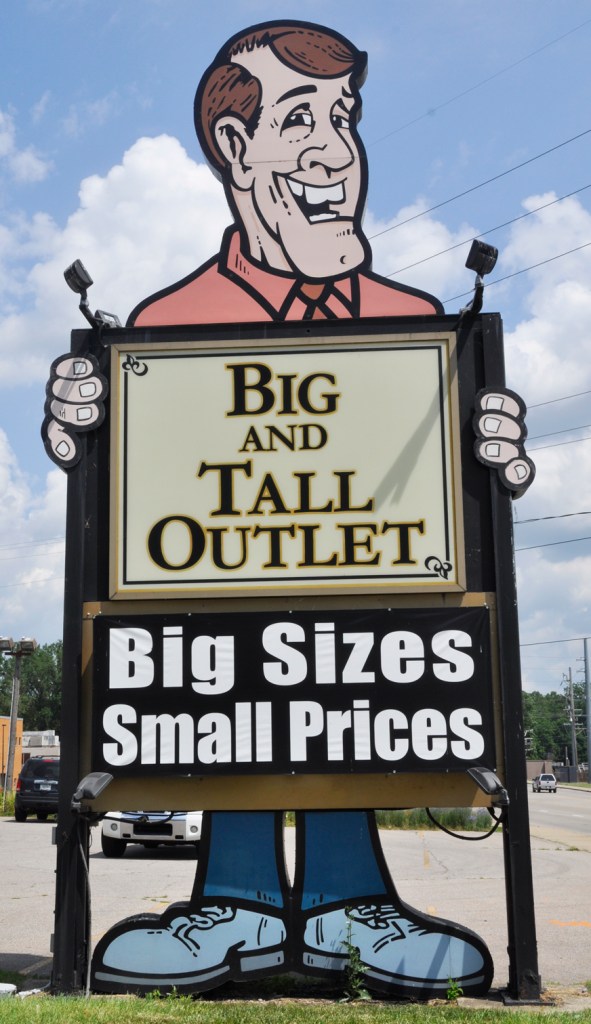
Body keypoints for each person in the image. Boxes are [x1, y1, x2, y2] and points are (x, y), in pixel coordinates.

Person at [44, 20, 533, 997]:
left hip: (370, 595)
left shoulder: (415, 328)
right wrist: (85, 440)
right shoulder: (165, 329)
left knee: (347, 681)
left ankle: (352, 899)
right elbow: (124, 508)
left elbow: (464, 514)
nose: (333, 151)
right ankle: (240, 901)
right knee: (229, 678)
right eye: (300, 119)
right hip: (214, 599)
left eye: (343, 118)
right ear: (234, 147)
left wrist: (489, 461)